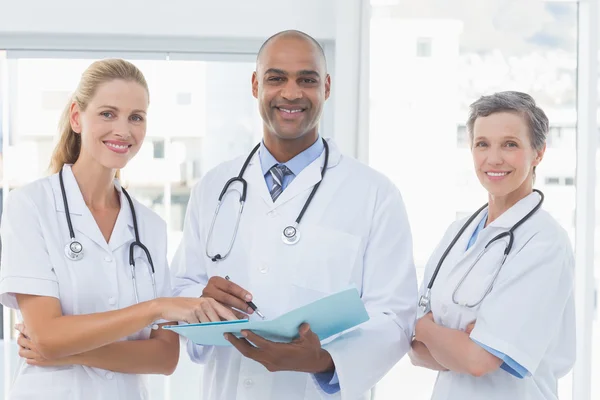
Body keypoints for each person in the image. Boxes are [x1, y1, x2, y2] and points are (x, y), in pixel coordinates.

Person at [171, 30, 418, 399]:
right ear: (256, 85)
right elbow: (180, 288)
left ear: (327, 87)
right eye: (276, 78)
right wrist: (203, 302)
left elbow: (395, 317)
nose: (291, 93)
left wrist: (323, 360)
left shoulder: (375, 194)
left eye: (307, 79)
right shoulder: (214, 186)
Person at [0, 59, 239, 400]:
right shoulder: (31, 206)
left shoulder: (149, 227)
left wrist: (70, 351)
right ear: (76, 117)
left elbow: (164, 357)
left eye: (136, 117)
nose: (123, 131)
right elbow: (47, 335)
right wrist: (157, 307)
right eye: (108, 114)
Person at [409, 91, 575, 400]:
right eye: (482, 144)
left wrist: (427, 329)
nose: (494, 158)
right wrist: (458, 340)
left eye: (510, 144)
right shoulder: (457, 233)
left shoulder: (544, 242)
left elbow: (478, 361)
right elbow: (416, 353)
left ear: (538, 153)